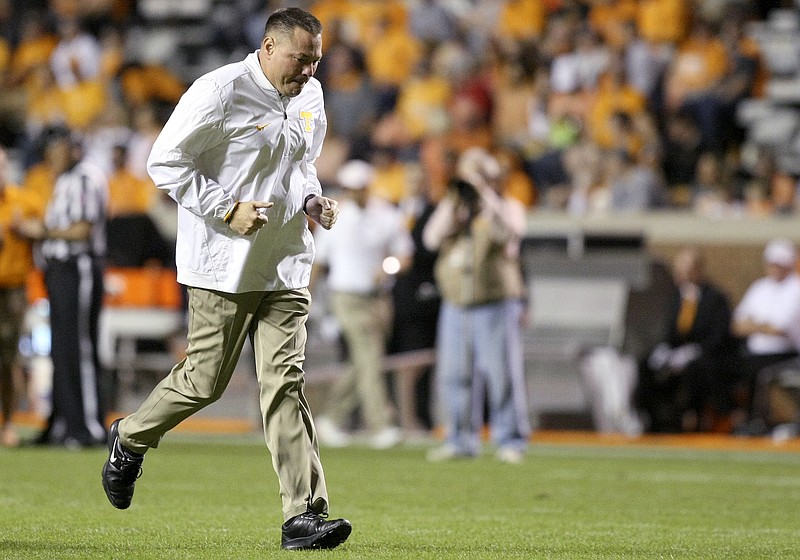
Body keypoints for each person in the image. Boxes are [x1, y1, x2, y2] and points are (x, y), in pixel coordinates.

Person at [97, 8, 351, 551]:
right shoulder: (219, 92)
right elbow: (164, 162)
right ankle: (130, 437)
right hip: (222, 264)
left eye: (315, 61)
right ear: (267, 46)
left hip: (285, 261)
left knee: (284, 385)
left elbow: (300, 163)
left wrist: (311, 199)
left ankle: (303, 515)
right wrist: (225, 208)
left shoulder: (311, 96)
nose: (308, 71)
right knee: (204, 382)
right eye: (300, 59)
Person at [422, 147, 531, 463]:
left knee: (501, 373)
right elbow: (430, 239)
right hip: (456, 303)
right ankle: (459, 439)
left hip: (493, 303)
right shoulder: (455, 210)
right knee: (454, 374)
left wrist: (485, 197)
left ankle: (510, 438)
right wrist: (453, 201)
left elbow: (511, 235)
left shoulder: (506, 206)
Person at [13, 127, 109, 448]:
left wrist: (40, 231)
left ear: (70, 147)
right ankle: (62, 423)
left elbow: (82, 230)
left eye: (55, 148)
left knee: (78, 348)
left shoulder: (85, 177)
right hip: (59, 271)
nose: (49, 156)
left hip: (77, 267)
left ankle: (88, 427)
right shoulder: (65, 180)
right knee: (61, 349)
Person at [312, 159, 413, 449]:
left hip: (378, 298)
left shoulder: (386, 215)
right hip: (345, 297)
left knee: (364, 362)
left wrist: (388, 268)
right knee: (369, 357)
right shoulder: (335, 218)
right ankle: (380, 425)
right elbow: (318, 261)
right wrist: (307, 296)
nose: (354, 193)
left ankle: (330, 419)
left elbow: (403, 255)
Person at [635, 247, 736, 433]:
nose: (680, 275)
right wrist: (665, 351)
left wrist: (691, 352)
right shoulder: (677, 298)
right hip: (678, 355)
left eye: (685, 270)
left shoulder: (715, 298)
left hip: (707, 358)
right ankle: (653, 420)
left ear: (697, 270)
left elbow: (718, 336)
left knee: (696, 370)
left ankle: (694, 420)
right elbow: (671, 332)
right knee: (644, 365)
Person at [732, 238, 800, 435]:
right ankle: (743, 418)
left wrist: (754, 325)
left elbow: (780, 329)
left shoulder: (795, 288)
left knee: (755, 369)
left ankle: (755, 420)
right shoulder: (759, 287)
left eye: (779, 264)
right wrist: (762, 326)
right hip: (755, 353)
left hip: (786, 353)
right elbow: (737, 325)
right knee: (733, 365)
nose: (774, 268)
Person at [0, 145, 44, 447]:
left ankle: (8, 423)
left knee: (9, 359)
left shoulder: (23, 200)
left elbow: (45, 228)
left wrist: (23, 227)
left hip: (12, 289)